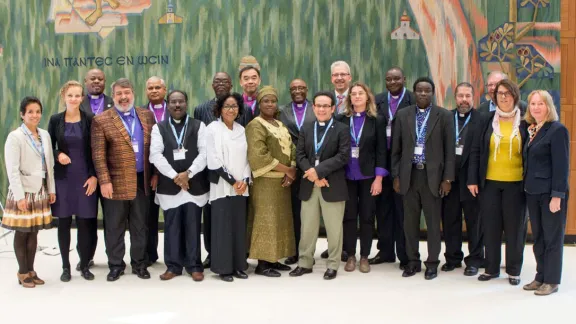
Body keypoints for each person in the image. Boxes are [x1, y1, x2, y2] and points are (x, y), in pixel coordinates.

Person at [91, 78, 157, 282]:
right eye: (119, 93)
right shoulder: (102, 120)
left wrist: (154, 174)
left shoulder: (147, 116)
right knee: (114, 226)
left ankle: (139, 264)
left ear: (133, 93)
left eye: (126, 92)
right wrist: (104, 181)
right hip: (115, 183)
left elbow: (154, 148)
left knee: (140, 225)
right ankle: (116, 265)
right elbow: (98, 155)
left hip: (141, 181)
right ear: (113, 96)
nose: (123, 97)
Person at [391, 77, 455, 280]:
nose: (423, 94)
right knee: (409, 223)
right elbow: (396, 149)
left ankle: (432, 263)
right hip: (409, 176)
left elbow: (449, 151)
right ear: (414, 92)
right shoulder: (402, 115)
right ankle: (412, 261)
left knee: (433, 223)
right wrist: (396, 175)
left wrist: (447, 179)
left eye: (427, 91)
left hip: (433, 178)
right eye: (419, 90)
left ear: (433, 93)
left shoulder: (443, 116)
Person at [467, 79, 528, 286]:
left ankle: (513, 270)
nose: (503, 96)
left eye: (508, 93)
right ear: (495, 96)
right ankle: (491, 269)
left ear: (515, 96)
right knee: (490, 227)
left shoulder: (526, 121)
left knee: (514, 229)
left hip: (517, 184)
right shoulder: (486, 120)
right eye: (500, 93)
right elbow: (475, 150)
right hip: (490, 183)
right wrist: (473, 179)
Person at [289, 91, 350, 280]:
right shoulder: (306, 128)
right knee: (307, 227)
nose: (322, 109)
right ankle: (305, 262)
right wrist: (313, 175)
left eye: (326, 106)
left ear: (333, 108)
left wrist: (319, 171)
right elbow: (299, 156)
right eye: (318, 106)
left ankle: (333, 264)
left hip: (332, 184)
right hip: (310, 185)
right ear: (313, 107)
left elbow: (343, 156)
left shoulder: (341, 129)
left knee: (334, 228)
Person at [150, 90, 209, 282]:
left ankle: (194, 265)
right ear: (168, 104)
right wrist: (175, 176)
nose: (177, 105)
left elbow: (205, 153)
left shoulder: (198, 125)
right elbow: (155, 155)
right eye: (173, 102)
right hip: (170, 185)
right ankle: (173, 266)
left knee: (193, 225)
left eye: (181, 101)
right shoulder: (159, 128)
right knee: (172, 226)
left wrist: (188, 173)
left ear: (186, 103)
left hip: (194, 184)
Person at [2, 96, 56, 288]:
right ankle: (22, 272)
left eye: (38, 111)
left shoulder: (44, 135)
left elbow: (49, 164)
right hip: (23, 192)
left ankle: (31, 270)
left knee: (34, 233)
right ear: (22, 114)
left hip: (40, 190)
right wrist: (19, 197)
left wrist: (51, 188)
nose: (35, 115)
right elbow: (12, 170)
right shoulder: (15, 137)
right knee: (22, 232)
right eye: (30, 112)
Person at [48, 81, 99, 282]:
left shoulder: (90, 119)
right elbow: (48, 147)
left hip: (86, 178)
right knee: (64, 222)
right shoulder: (55, 120)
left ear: (82, 98)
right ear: (64, 97)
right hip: (63, 178)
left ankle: (85, 264)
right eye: (70, 95)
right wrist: (58, 153)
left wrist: (94, 176)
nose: (74, 99)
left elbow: (97, 150)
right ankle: (65, 266)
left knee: (86, 222)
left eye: (78, 95)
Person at [335, 82, 387, 274]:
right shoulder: (341, 119)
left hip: (368, 177)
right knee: (349, 217)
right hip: (347, 176)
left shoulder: (377, 120)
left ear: (367, 97)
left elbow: (381, 151)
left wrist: (379, 178)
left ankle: (364, 256)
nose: (356, 96)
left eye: (360, 93)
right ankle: (350, 255)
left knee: (367, 217)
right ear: (349, 98)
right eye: (353, 94)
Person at [246, 85, 296, 277]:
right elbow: (259, 155)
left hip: (283, 182)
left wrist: (291, 172)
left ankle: (274, 259)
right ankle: (262, 264)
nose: (270, 104)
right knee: (265, 221)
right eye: (265, 101)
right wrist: (288, 170)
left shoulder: (280, 124)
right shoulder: (255, 125)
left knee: (279, 221)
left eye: (273, 101)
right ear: (259, 104)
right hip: (265, 182)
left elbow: (291, 148)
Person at [522, 90, 569, 296]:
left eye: (540, 104)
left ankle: (551, 280)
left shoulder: (557, 130)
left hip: (550, 194)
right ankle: (540, 276)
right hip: (533, 192)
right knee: (539, 237)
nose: (536, 107)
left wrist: (557, 195)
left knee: (552, 238)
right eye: (533, 104)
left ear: (549, 106)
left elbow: (561, 166)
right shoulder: (532, 129)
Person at [371, 67, 415, 268]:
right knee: (383, 208)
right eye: (388, 79)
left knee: (403, 209)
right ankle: (385, 251)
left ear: (404, 79)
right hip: (381, 159)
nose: (393, 82)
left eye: (397, 78)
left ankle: (405, 254)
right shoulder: (378, 100)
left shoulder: (414, 100)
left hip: (405, 160)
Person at [206, 92, 251, 282]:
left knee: (239, 227)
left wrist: (245, 181)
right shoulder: (212, 129)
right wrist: (233, 181)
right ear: (219, 109)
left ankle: (240, 266)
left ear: (239, 109)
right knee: (223, 228)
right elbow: (213, 159)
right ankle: (223, 268)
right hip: (223, 186)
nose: (231, 110)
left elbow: (249, 158)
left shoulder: (242, 130)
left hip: (241, 188)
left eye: (234, 106)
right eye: (227, 106)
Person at [440, 82, 484, 276]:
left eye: (467, 96)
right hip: (449, 180)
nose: (464, 100)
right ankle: (452, 258)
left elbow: (482, 153)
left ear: (473, 97)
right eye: (460, 96)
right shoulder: (446, 118)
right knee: (450, 220)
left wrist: (475, 179)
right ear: (455, 98)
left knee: (475, 222)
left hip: (471, 180)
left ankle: (474, 260)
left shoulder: (481, 119)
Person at [193, 71, 234, 269]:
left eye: (224, 81)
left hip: (235, 171)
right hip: (210, 172)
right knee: (210, 215)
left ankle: (235, 251)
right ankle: (211, 253)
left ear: (231, 85)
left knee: (233, 213)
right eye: (216, 81)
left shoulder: (239, 107)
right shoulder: (201, 109)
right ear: (212, 85)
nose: (220, 84)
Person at [278, 78, 315, 265]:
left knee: (311, 211)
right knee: (294, 210)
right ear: (290, 91)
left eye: (301, 87)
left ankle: (309, 250)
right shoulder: (282, 112)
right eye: (294, 88)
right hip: (292, 167)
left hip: (312, 166)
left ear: (307, 89)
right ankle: (294, 250)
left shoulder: (316, 108)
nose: (298, 91)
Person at [320, 60, 353, 260]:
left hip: (353, 164)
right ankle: (334, 246)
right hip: (331, 164)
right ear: (331, 78)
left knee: (349, 210)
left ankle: (347, 249)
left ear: (349, 77)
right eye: (335, 75)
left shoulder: (358, 97)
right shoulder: (325, 100)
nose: (339, 78)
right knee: (331, 209)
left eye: (343, 74)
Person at [143, 76, 168, 266]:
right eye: (150, 88)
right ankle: (149, 255)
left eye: (157, 87)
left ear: (164, 90)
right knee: (149, 216)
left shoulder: (177, 109)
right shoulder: (141, 113)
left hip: (173, 173)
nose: (154, 90)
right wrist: (154, 172)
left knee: (173, 216)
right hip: (148, 174)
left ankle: (175, 255)